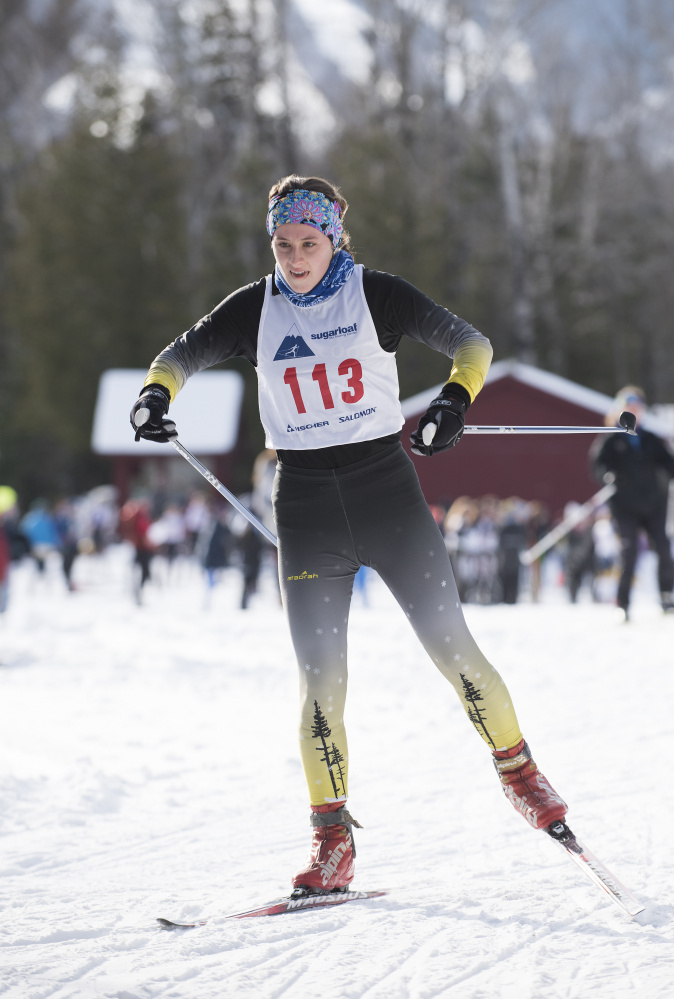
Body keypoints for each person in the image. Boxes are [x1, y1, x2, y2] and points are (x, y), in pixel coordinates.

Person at [130, 175, 568, 897]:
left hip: (385, 492)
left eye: (308, 242)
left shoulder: (376, 294)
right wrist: (155, 394)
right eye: (282, 244)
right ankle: (332, 840)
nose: (295, 257)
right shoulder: (253, 307)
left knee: (451, 646)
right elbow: (177, 356)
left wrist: (453, 402)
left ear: (334, 237)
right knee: (320, 684)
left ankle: (518, 769)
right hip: (304, 503)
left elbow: (472, 344)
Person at [590, 386, 674, 620]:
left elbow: (669, 461)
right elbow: (599, 465)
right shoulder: (611, 439)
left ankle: (666, 596)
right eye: (629, 407)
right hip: (625, 506)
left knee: (664, 547)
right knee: (629, 551)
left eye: (637, 408)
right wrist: (607, 476)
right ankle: (623, 603)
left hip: (652, 504)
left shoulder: (650, 438)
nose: (634, 412)